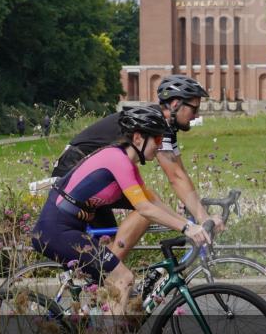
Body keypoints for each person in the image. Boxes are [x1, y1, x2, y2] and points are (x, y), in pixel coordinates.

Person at [32, 105, 211, 315]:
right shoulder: (117, 160)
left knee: (115, 282)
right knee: (123, 279)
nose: (160, 146)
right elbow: (144, 208)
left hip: (69, 228)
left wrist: (190, 224)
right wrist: (187, 228)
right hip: (55, 231)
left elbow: (153, 201)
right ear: (137, 138)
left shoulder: (127, 164)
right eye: (157, 140)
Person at [50, 75, 223, 258]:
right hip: (74, 169)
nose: (196, 115)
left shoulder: (164, 127)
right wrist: (203, 219)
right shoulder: (155, 124)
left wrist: (200, 215)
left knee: (108, 244)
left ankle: (105, 273)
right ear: (175, 104)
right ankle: (110, 273)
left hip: (94, 176)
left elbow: (180, 173)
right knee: (147, 207)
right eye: (194, 108)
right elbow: (175, 177)